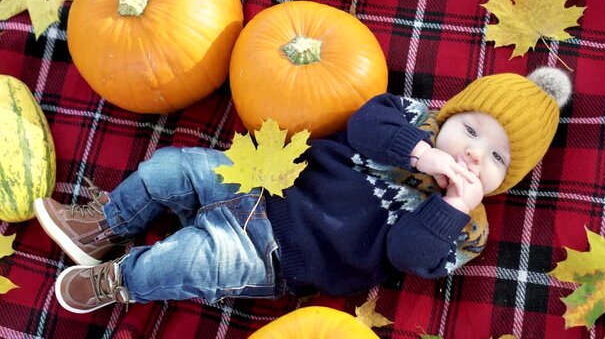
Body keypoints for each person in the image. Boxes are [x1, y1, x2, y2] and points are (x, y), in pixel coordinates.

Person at [34, 66, 571, 314]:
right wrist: (421, 154)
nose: (473, 153)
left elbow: (408, 255)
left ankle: (121, 280)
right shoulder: (412, 123)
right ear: (451, 114)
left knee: (190, 260)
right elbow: (364, 122)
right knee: (171, 168)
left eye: (497, 157)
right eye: (472, 129)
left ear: (508, 180)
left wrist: (452, 204)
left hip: (279, 256)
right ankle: (102, 226)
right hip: (262, 181)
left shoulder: (464, 225)